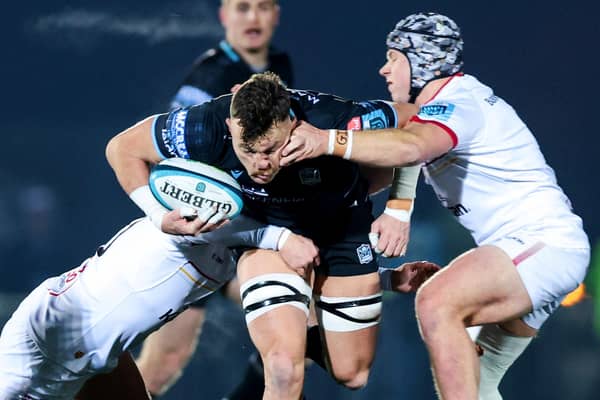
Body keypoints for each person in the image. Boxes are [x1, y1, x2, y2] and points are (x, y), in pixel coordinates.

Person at [279, 12, 590, 400]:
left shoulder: (459, 103)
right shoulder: (444, 107)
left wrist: (327, 140)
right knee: (477, 385)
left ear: (419, 60)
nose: (384, 69)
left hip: (543, 245)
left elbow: (412, 146)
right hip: (532, 251)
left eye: (393, 57)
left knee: (437, 302)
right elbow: (412, 141)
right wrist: (398, 209)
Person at [105, 71, 432, 399]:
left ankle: (331, 311)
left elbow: (416, 122)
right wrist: (159, 215)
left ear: (292, 123)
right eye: (248, 150)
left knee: (351, 374)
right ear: (232, 127)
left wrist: (398, 209)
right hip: (269, 236)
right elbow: (122, 148)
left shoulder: (333, 117)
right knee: (282, 367)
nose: (260, 163)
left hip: (342, 228)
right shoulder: (205, 125)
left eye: (272, 149)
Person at [136, 0, 294, 397]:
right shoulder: (212, 75)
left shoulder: (279, 66)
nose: (253, 18)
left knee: (297, 322)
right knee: (160, 367)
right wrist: (175, 217)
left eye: (262, 7)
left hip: (243, 232)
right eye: (242, 8)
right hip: (200, 233)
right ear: (224, 16)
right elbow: (165, 158)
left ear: (276, 14)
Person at [0, 214, 284, 399]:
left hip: (72, 333)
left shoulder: (194, 223)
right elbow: (124, 149)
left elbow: (124, 149)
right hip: (57, 339)